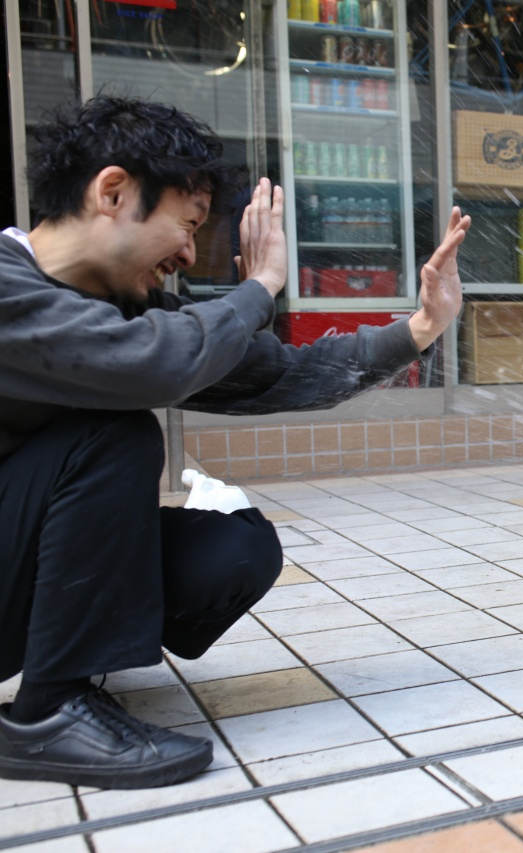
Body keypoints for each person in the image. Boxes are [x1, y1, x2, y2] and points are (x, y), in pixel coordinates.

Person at [0, 95, 470, 789]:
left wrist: (420, 329)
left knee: (235, 548)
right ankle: (49, 713)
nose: (189, 254)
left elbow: (262, 374)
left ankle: (73, 667)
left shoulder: (118, 312)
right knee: (112, 433)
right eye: (186, 226)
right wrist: (261, 287)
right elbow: (156, 363)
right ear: (112, 191)